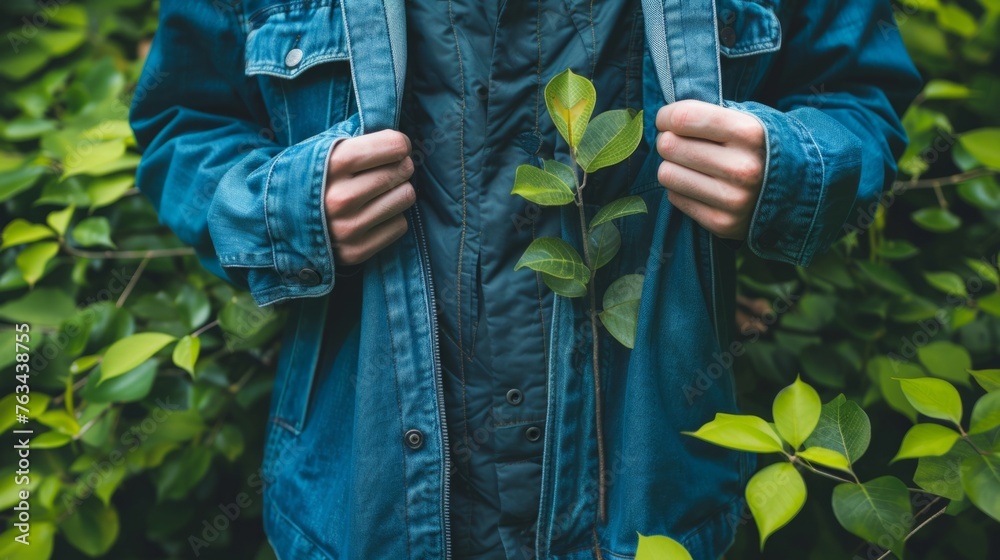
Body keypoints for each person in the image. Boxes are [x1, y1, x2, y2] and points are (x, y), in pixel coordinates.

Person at [129, 0, 920, 558]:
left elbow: (858, 96)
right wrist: (285, 208)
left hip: (646, 509)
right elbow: (183, 124)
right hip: (360, 511)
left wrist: (788, 171)